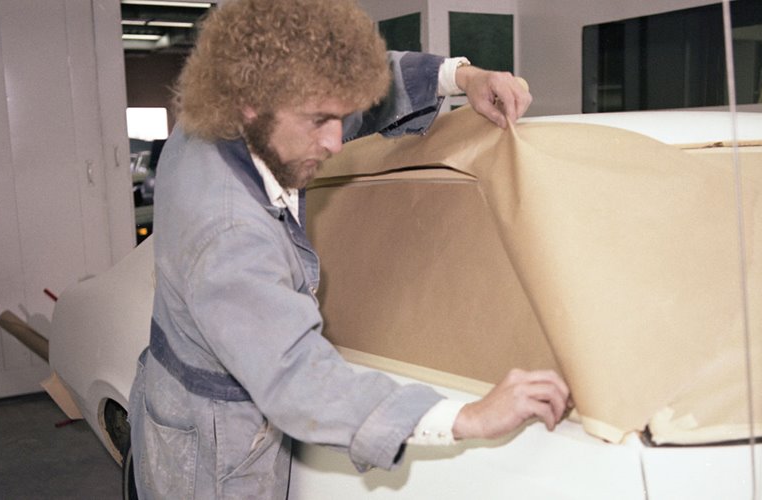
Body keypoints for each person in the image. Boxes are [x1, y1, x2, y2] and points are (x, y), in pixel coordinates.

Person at [127, 0, 572, 498]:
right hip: (215, 450)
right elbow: (298, 379)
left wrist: (462, 77)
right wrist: (468, 415)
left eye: (340, 116)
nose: (338, 141)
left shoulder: (227, 109)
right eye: (320, 121)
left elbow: (355, 85)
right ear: (250, 103)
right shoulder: (228, 232)